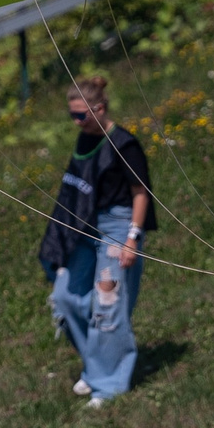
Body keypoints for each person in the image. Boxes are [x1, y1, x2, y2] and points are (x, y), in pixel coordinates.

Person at [36, 76, 155, 406]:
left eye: (81, 115)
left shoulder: (124, 143)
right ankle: (96, 365)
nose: (76, 122)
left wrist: (132, 237)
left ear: (99, 108)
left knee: (107, 304)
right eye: (72, 115)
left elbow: (140, 192)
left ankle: (108, 385)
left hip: (118, 228)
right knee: (65, 297)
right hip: (84, 226)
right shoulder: (84, 140)